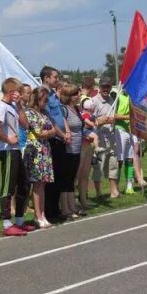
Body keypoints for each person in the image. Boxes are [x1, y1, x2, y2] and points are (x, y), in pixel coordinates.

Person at [0, 77, 33, 236]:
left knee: (24, 184)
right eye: (18, 91)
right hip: (8, 150)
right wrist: (8, 139)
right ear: (10, 92)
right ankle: (7, 223)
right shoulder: (1, 107)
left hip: (15, 149)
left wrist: (19, 105)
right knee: (8, 186)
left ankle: (20, 220)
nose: (20, 94)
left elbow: (26, 124)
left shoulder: (13, 107)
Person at [40, 67, 70, 220]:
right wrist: (62, 134)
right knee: (52, 176)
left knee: (60, 174)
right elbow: (49, 119)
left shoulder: (54, 94)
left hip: (61, 137)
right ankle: (50, 211)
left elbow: (60, 115)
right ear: (46, 78)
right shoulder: (43, 94)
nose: (57, 80)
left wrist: (67, 131)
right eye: (55, 77)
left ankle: (56, 208)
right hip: (53, 139)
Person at [24, 87, 55, 229]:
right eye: (44, 100)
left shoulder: (45, 113)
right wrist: (50, 132)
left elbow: (53, 129)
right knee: (37, 183)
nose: (45, 103)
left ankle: (42, 213)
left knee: (43, 184)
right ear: (37, 99)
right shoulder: (30, 113)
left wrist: (49, 132)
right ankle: (37, 215)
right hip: (36, 150)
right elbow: (38, 132)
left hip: (45, 149)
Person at [92, 77, 120, 198]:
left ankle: (114, 191)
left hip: (111, 138)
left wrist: (113, 121)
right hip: (99, 139)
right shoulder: (94, 102)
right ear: (99, 88)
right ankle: (98, 193)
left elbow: (113, 116)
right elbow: (90, 122)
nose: (106, 89)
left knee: (113, 165)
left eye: (108, 87)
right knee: (98, 167)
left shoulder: (112, 100)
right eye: (104, 87)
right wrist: (102, 120)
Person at [59, 84, 84, 217]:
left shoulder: (76, 109)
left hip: (77, 148)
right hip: (68, 149)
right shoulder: (64, 110)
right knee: (66, 178)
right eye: (75, 94)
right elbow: (62, 125)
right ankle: (65, 208)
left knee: (72, 178)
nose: (78, 96)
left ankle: (72, 206)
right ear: (69, 97)